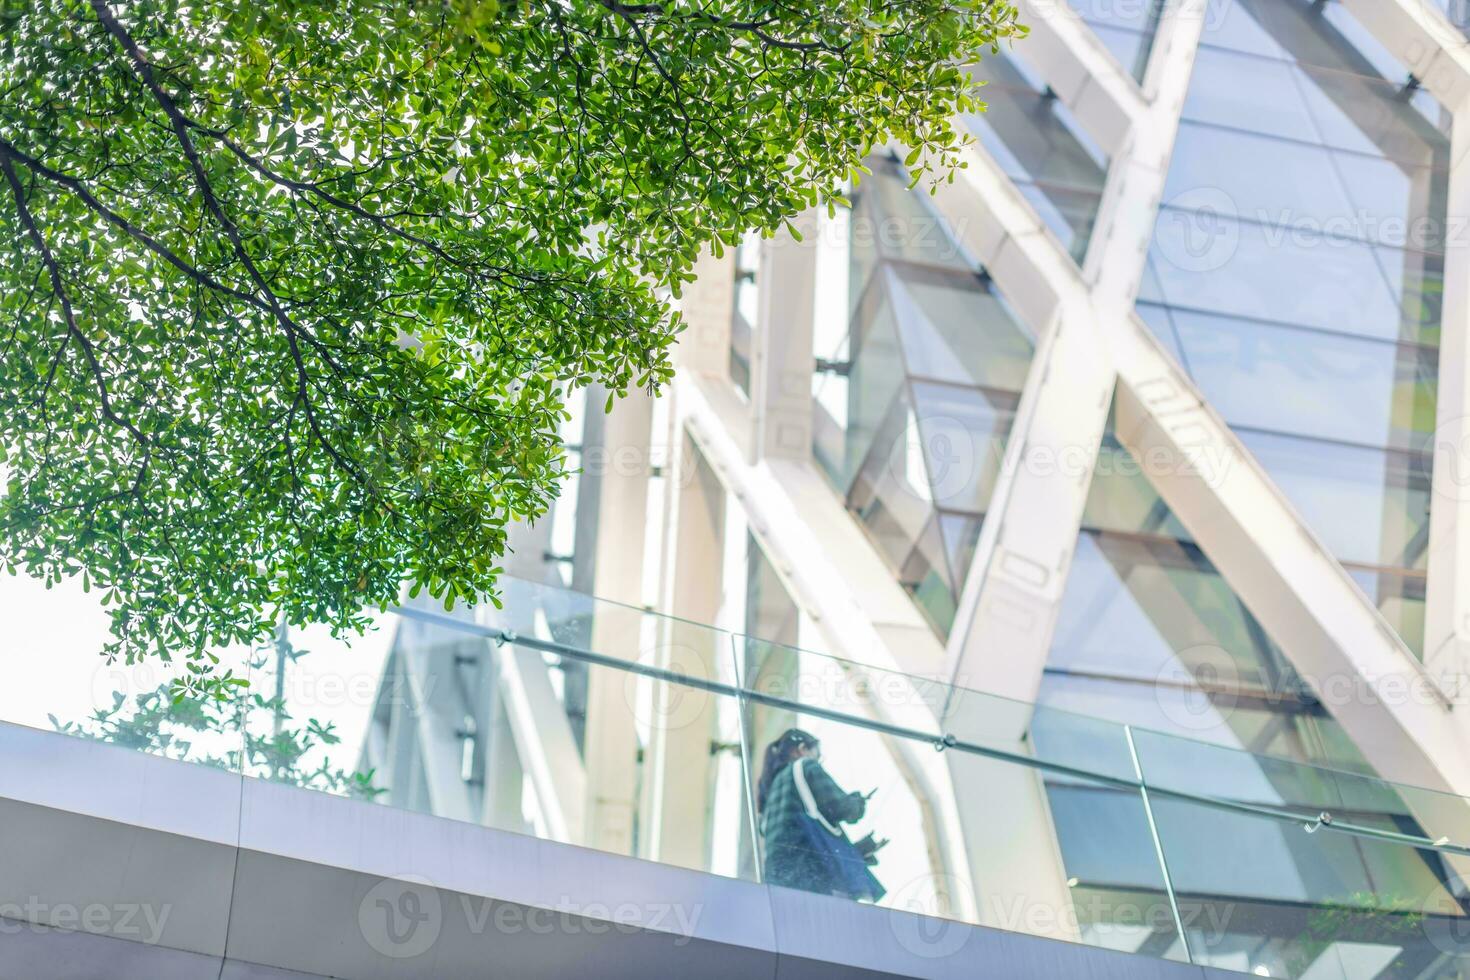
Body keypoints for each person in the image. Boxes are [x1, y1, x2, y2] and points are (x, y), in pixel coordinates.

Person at [756, 728, 885, 901]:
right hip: (813, 874)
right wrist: (858, 801)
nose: (818, 760)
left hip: (778, 880)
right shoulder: (805, 766)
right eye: (817, 755)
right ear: (802, 749)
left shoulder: (770, 795)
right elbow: (843, 808)